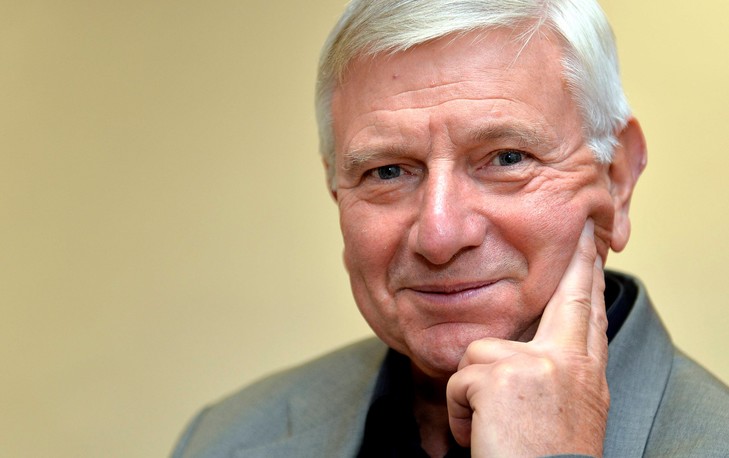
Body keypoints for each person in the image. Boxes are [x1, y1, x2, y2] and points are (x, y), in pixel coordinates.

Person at [172, 0, 729, 456]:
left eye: (507, 158)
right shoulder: (223, 437)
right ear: (337, 191)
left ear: (617, 178)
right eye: (387, 171)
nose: (439, 236)